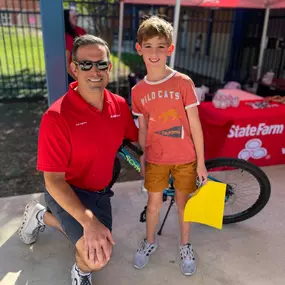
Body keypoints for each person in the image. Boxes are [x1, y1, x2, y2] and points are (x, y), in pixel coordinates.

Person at [18, 35, 138, 285]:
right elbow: (53, 181)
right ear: (74, 69)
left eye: (101, 64)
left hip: (101, 192)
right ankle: (81, 273)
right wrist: (88, 221)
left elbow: (135, 140)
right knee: (97, 256)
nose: (95, 71)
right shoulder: (56, 118)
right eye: (86, 64)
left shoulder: (119, 106)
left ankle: (40, 216)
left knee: (98, 240)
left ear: (109, 67)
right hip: (66, 192)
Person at [131, 16, 208, 276]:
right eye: (149, 46)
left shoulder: (183, 83)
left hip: (185, 157)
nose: (154, 52)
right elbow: (142, 127)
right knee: (154, 204)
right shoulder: (138, 91)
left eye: (161, 46)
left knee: (183, 204)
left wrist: (201, 162)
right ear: (139, 48)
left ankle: (185, 245)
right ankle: (150, 241)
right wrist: (142, 157)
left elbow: (195, 124)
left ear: (170, 49)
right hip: (155, 158)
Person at [64, 8, 87, 84]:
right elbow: (66, 64)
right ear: (67, 19)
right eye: (73, 17)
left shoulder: (81, 31)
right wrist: (77, 80)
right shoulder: (67, 37)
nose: (76, 18)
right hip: (73, 74)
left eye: (77, 16)